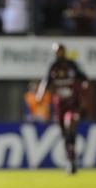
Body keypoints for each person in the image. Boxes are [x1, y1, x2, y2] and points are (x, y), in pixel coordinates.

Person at [36, 43, 89, 174]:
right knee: (65, 133)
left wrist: (84, 90)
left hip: (72, 103)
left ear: (64, 51)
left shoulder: (72, 65)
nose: (58, 53)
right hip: (59, 105)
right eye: (56, 51)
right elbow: (46, 81)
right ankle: (71, 158)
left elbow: (84, 78)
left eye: (60, 51)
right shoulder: (53, 67)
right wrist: (40, 94)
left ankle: (71, 159)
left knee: (69, 124)